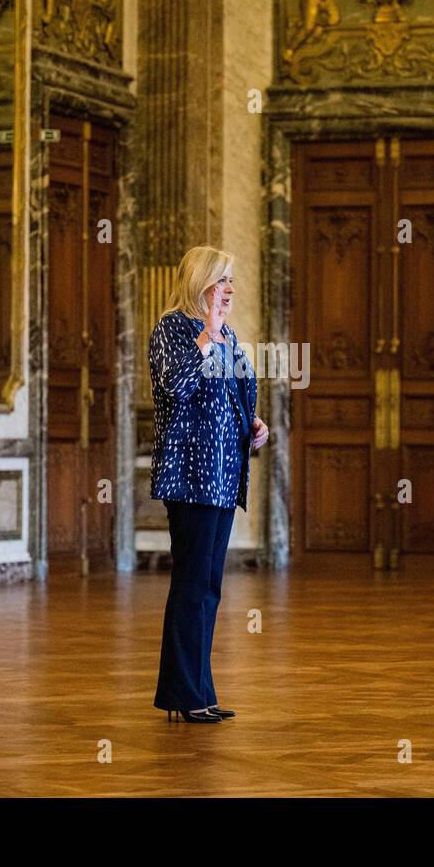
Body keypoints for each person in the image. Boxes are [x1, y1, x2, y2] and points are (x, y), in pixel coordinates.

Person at [148, 245, 270, 724]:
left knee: (210, 586)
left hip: (223, 474)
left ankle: (201, 689)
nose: (230, 291)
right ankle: (184, 694)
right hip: (191, 476)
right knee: (192, 584)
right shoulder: (172, 328)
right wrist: (206, 338)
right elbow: (172, 388)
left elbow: (237, 392)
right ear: (200, 284)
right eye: (222, 282)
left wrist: (254, 424)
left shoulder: (230, 336)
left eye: (230, 283)